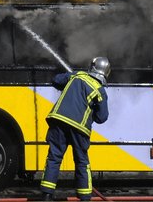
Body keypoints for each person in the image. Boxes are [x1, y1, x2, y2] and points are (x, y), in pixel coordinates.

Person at [40, 56, 111, 201]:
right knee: (81, 162)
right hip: (79, 128)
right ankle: (84, 197)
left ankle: (46, 195)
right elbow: (102, 117)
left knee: (54, 158)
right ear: (106, 72)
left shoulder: (77, 75)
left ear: (92, 66)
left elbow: (56, 80)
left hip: (58, 120)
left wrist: (69, 82)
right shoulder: (100, 90)